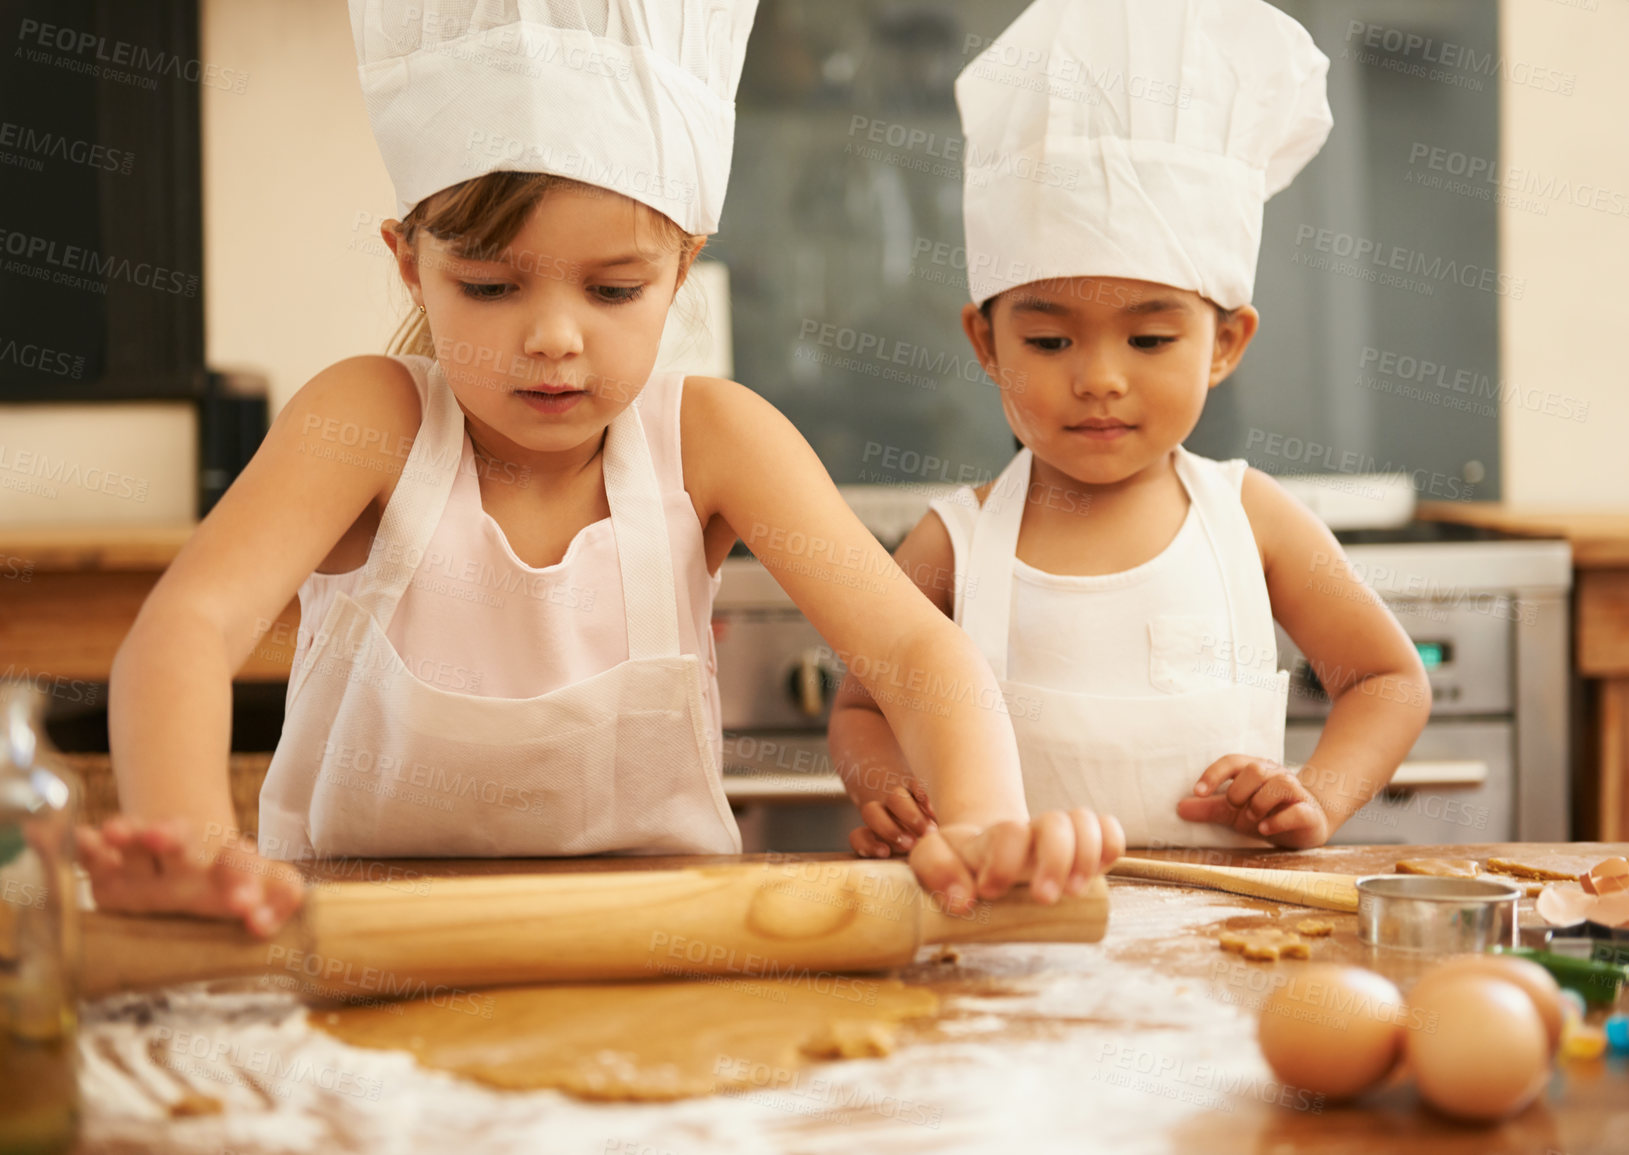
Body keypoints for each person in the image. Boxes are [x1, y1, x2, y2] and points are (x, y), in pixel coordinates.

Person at [77, 0, 1123, 938]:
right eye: (489, 287)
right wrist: (193, 848)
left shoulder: (712, 438)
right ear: (411, 263)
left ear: (683, 268)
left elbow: (912, 651)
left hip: (664, 957)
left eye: (615, 290)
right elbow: (187, 629)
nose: (552, 339)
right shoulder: (373, 422)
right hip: (363, 957)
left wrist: (985, 821)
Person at [832, 0, 1431, 857]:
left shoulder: (1249, 520)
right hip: (1012, 942)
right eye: (1047, 339)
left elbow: (1385, 679)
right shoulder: (952, 542)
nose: (1100, 378)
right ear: (985, 343)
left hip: (1224, 944)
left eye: (1150, 338)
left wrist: (1315, 797)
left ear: (1224, 343)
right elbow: (860, 708)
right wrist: (887, 782)